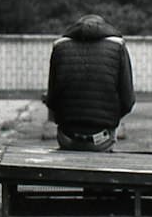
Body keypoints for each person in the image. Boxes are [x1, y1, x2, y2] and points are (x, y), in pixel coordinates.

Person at [44, 13, 135, 151]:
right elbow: (128, 101)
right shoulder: (118, 47)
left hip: (67, 138)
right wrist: (109, 120)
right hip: (101, 141)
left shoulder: (59, 47)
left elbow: (52, 100)